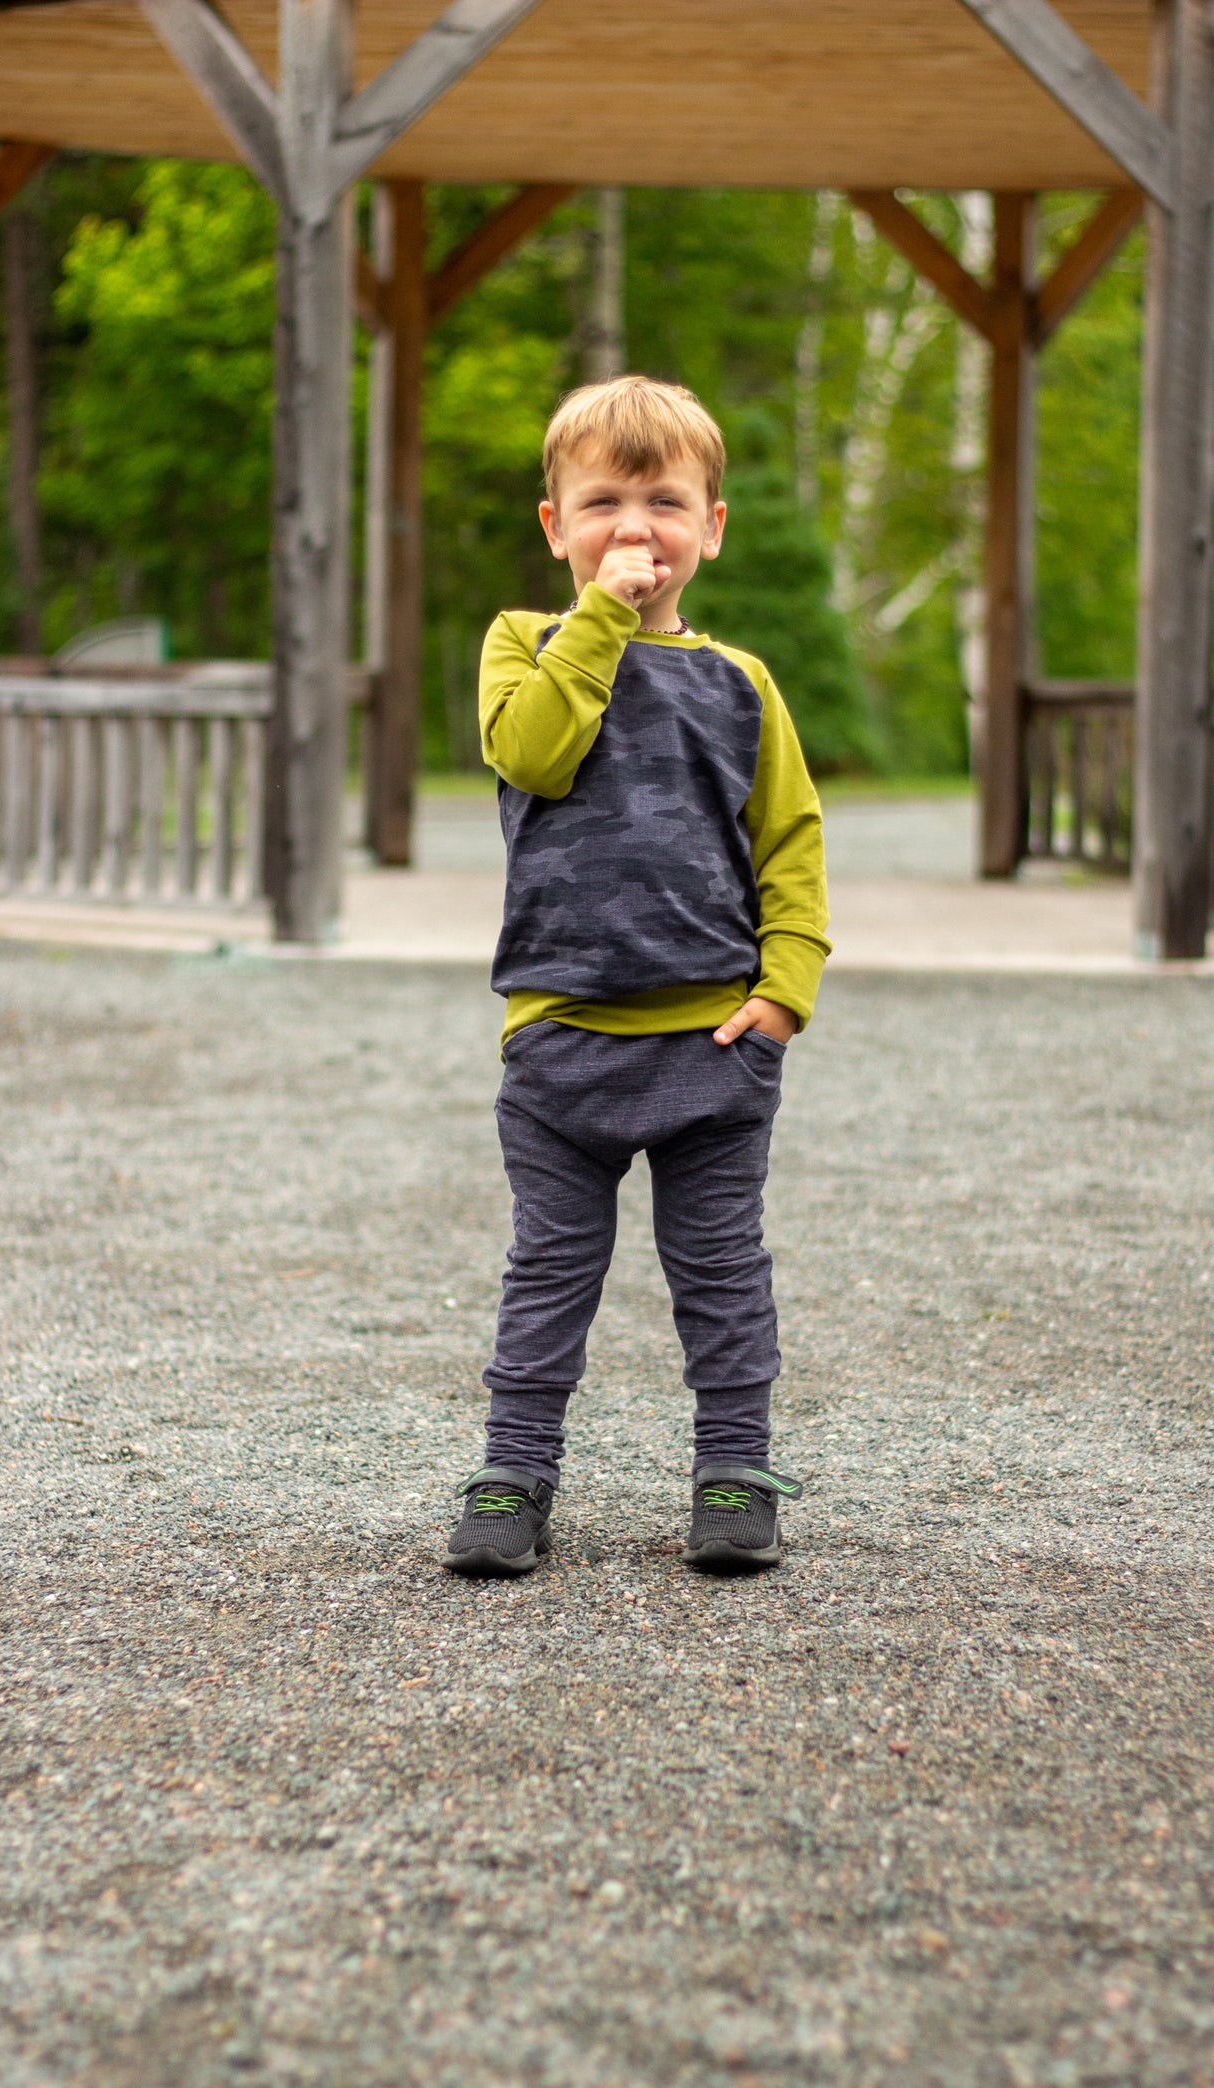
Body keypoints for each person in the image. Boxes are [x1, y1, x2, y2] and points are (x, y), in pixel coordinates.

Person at [444, 376, 830, 1577]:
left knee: (719, 1272)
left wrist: (783, 989)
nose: (632, 527)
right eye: (601, 501)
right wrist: (600, 622)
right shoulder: (526, 646)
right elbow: (535, 755)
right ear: (553, 524)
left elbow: (789, 839)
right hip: (560, 1037)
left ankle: (733, 1468)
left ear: (710, 526)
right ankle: (512, 1476)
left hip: (711, 1041)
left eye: (663, 501)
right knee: (549, 1272)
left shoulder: (741, 682)